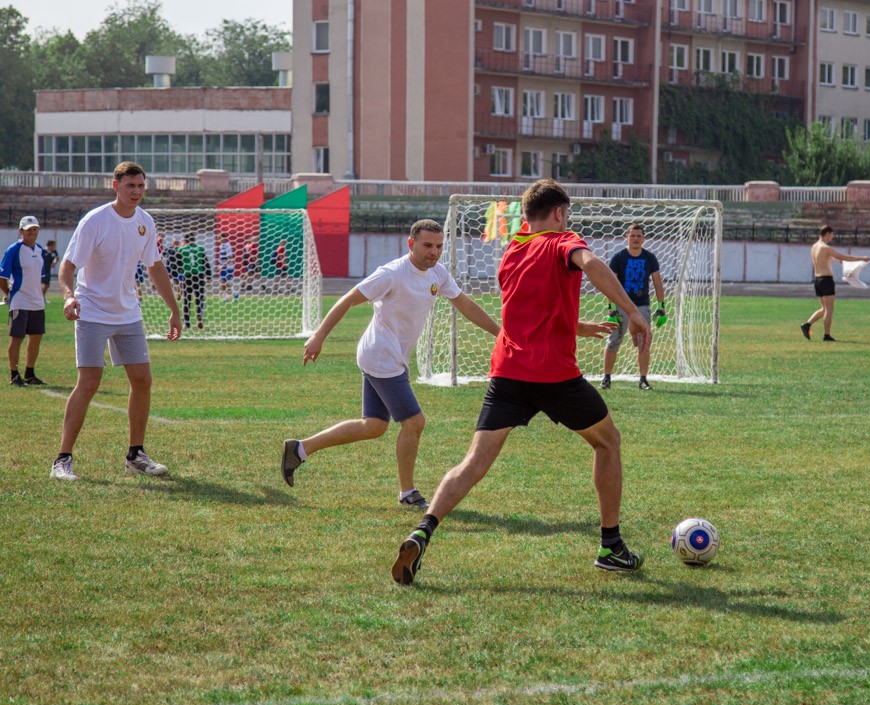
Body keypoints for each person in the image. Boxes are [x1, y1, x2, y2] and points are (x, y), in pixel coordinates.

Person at [390, 179, 652, 586]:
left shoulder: (513, 250)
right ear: (559, 214)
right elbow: (592, 264)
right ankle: (611, 547)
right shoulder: (563, 241)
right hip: (554, 375)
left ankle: (422, 531)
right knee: (608, 441)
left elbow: (532, 310)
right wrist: (633, 311)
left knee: (473, 463)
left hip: (508, 373)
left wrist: (577, 326)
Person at [281, 219, 501, 508]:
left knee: (374, 426)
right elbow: (347, 300)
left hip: (390, 356)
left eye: (439, 246)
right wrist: (318, 336)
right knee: (414, 422)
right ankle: (407, 493)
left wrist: (501, 334)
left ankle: (299, 449)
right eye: (427, 245)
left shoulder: (438, 273)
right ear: (411, 244)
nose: (434, 252)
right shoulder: (392, 274)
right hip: (381, 356)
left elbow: (466, 305)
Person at [51, 161, 182, 482]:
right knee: (89, 382)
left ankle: (136, 455)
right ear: (115, 186)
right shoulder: (95, 221)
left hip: (128, 313)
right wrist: (68, 296)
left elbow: (155, 266)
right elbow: (67, 266)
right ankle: (62, 460)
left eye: (140, 186)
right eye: (130, 186)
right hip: (93, 311)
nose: (136, 192)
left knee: (142, 380)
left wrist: (174, 309)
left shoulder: (145, 222)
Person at [600, 223, 667, 391]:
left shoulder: (650, 258)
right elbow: (610, 284)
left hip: (642, 305)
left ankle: (643, 380)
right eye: (633, 235)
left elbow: (658, 283)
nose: (636, 239)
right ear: (626, 237)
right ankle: (606, 378)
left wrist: (661, 306)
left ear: (643, 238)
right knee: (614, 340)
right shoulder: (618, 257)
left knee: (645, 341)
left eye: (639, 236)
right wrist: (612, 308)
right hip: (621, 305)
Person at [1, 216, 51, 386]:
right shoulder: (14, 250)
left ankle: (30, 373)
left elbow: (38, 276)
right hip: (20, 301)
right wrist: (9, 293)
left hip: (37, 301)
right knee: (17, 338)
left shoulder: (39, 250)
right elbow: (2, 277)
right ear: (21, 231)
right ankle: (14, 374)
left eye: (35, 229)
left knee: (36, 337)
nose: (32, 232)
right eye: (29, 229)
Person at [801, 225, 869, 342]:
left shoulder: (814, 247)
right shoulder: (826, 248)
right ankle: (827, 335)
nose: (831, 238)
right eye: (831, 235)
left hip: (817, 280)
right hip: (826, 280)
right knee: (829, 309)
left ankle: (807, 325)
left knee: (824, 309)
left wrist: (840, 261)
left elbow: (829, 259)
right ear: (827, 234)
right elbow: (844, 256)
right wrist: (862, 258)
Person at [178, 232, 209, 329]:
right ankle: (199, 314)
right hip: (199, 276)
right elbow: (205, 262)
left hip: (187, 276)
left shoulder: (181, 250)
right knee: (199, 298)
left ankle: (187, 323)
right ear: (194, 239)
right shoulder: (200, 249)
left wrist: (178, 276)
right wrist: (209, 275)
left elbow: (178, 265)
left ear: (185, 240)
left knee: (186, 300)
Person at [216, 231, 236, 300]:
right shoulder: (221, 246)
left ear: (224, 238)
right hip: (223, 267)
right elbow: (221, 257)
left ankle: (235, 294)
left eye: (219, 238)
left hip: (228, 267)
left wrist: (222, 265)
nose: (218, 240)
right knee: (222, 283)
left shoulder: (227, 246)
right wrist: (219, 266)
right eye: (217, 239)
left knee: (225, 282)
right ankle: (226, 297)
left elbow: (230, 258)